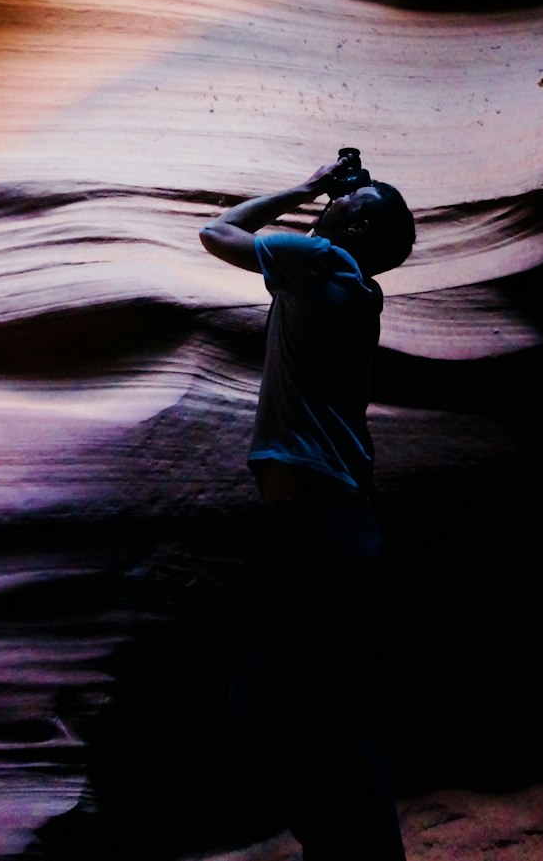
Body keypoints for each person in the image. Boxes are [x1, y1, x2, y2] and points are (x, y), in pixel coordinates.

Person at [199, 155, 415, 861]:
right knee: (324, 713)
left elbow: (216, 230)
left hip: (317, 527)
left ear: (349, 222)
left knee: (278, 710)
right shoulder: (362, 291)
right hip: (335, 524)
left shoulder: (317, 258)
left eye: (347, 200)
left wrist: (305, 187)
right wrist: (344, 200)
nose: (332, 201)